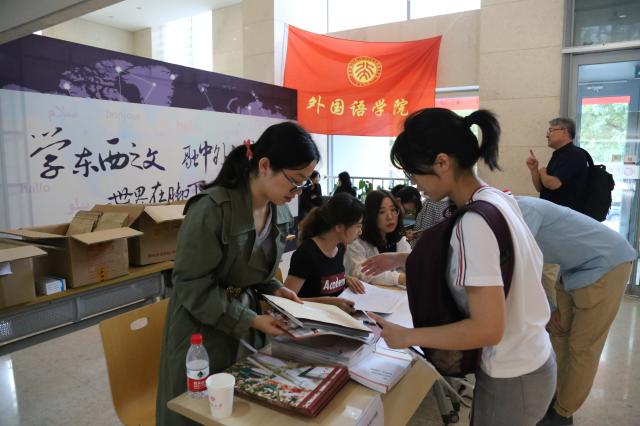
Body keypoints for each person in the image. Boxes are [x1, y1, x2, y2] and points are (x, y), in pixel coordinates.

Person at [365, 108, 555, 426]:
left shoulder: (473, 223)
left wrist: (407, 336)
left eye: (414, 174)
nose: (415, 184)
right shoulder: (496, 199)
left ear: (442, 162)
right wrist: (402, 259)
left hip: (512, 375)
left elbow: (487, 328)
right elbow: (499, 268)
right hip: (533, 358)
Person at [156, 122, 320, 426]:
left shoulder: (278, 211)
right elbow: (191, 284)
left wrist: (274, 288)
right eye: (295, 180)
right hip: (200, 324)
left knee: (244, 407)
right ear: (265, 165)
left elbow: (254, 271)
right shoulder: (212, 209)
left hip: (245, 319)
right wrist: (251, 319)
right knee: (198, 410)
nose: (297, 192)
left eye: (305, 183)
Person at [515, 196, 635, 426]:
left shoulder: (524, 211)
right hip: (573, 269)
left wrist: (548, 307)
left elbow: (521, 268)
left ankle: (562, 414)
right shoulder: (509, 212)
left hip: (606, 265)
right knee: (558, 333)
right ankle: (554, 398)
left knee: (583, 348)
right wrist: (549, 309)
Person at [284, 193, 366, 313]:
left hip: (335, 316)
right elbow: (285, 301)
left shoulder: (340, 247)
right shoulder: (306, 254)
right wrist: (326, 303)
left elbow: (326, 277)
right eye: (358, 226)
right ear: (339, 227)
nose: (360, 232)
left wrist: (346, 280)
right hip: (310, 319)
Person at [344, 190, 411, 286]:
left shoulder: (400, 240)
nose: (389, 216)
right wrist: (399, 278)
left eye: (393, 210)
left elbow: (413, 266)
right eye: (382, 212)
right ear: (371, 215)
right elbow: (362, 273)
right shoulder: (357, 242)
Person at [526, 117, 588, 212]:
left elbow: (553, 184)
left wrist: (542, 172)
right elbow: (540, 188)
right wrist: (534, 169)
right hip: (553, 213)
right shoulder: (559, 154)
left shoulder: (574, 154)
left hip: (566, 215)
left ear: (564, 131)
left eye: (551, 130)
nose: (547, 135)